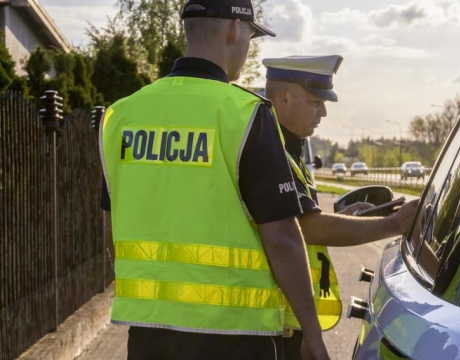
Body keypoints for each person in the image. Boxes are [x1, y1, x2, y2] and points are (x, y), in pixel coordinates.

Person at [99, 2, 329, 359]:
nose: (248, 45)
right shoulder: (246, 113)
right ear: (235, 29)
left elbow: (111, 231)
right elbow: (282, 238)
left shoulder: (121, 114)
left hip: (148, 336)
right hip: (235, 337)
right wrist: (311, 335)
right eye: (251, 36)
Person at [262, 55, 419, 359]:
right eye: (314, 101)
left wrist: (345, 219)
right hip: (277, 326)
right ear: (283, 97)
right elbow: (308, 228)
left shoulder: (287, 151)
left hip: (284, 321)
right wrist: (393, 225)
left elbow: (302, 221)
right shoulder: (273, 153)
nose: (323, 111)